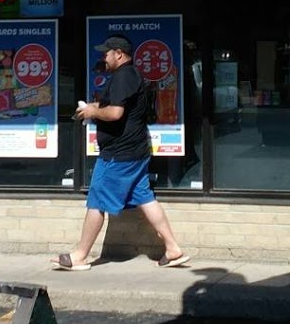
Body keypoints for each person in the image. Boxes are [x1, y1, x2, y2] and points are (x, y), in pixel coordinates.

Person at [51, 34, 189, 270]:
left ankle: (80, 256)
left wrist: (93, 113)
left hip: (119, 154)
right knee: (144, 197)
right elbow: (119, 106)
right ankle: (173, 248)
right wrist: (94, 107)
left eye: (106, 53)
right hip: (135, 151)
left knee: (97, 201)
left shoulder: (123, 76)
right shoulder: (131, 75)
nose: (103, 58)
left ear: (119, 54)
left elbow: (116, 113)